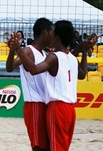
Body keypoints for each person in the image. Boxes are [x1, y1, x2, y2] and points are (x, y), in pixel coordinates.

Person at [9, 20, 98, 151]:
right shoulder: (70, 59)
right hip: (69, 110)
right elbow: (83, 73)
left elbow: (34, 69)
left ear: (56, 37)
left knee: (52, 147)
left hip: (57, 108)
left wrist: (17, 49)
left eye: (53, 33)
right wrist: (83, 49)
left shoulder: (52, 57)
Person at [6, 17, 53, 151]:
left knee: (47, 145)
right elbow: (10, 68)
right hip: (34, 104)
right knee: (38, 146)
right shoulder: (28, 50)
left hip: (45, 103)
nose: (53, 36)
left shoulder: (45, 53)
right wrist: (12, 51)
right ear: (44, 32)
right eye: (51, 32)